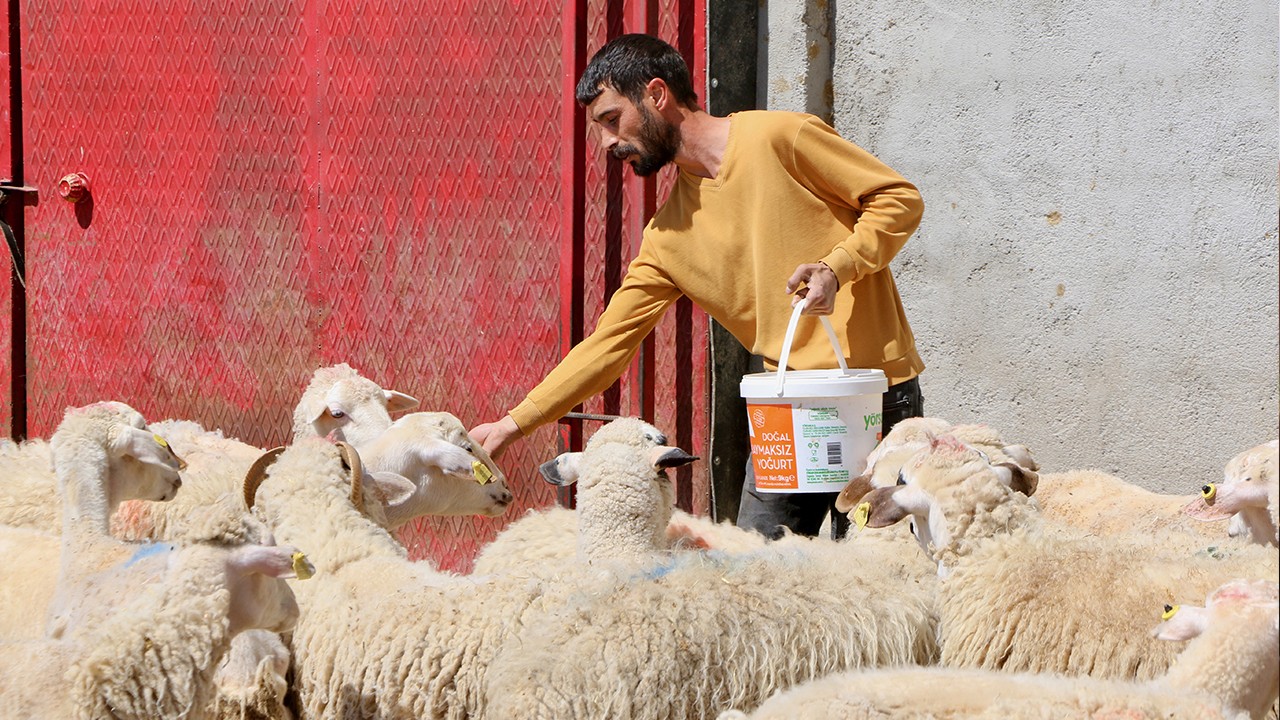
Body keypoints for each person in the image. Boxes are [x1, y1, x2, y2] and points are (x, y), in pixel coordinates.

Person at [471, 33, 925, 540]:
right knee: (752, 577)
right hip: (786, 407)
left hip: (877, 399)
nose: (605, 143)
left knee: (878, 579)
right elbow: (606, 346)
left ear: (657, 95)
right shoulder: (667, 238)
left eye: (611, 119)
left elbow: (898, 199)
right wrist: (512, 425)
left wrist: (837, 267)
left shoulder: (780, 137)